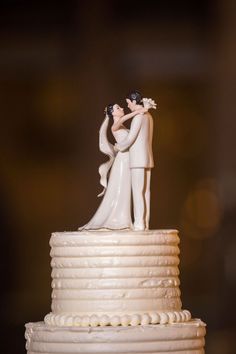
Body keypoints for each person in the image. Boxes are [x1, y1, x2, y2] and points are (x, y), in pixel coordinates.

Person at [79, 103, 146, 230]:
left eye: (120, 107)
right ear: (113, 113)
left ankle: (123, 217)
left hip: (127, 161)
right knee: (121, 188)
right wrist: (138, 112)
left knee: (124, 188)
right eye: (117, 108)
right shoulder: (115, 126)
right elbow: (125, 119)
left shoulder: (121, 125)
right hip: (123, 162)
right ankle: (119, 218)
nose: (121, 108)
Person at [115, 91, 154, 230]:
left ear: (133, 101)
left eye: (128, 103)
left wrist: (118, 146)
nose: (128, 106)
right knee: (146, 192)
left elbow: (130, 138)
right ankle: (146, 222)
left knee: (138, 191)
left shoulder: (138, 117)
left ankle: (139, 223)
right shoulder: (148, 116)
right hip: (148, 157)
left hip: (138, 158)